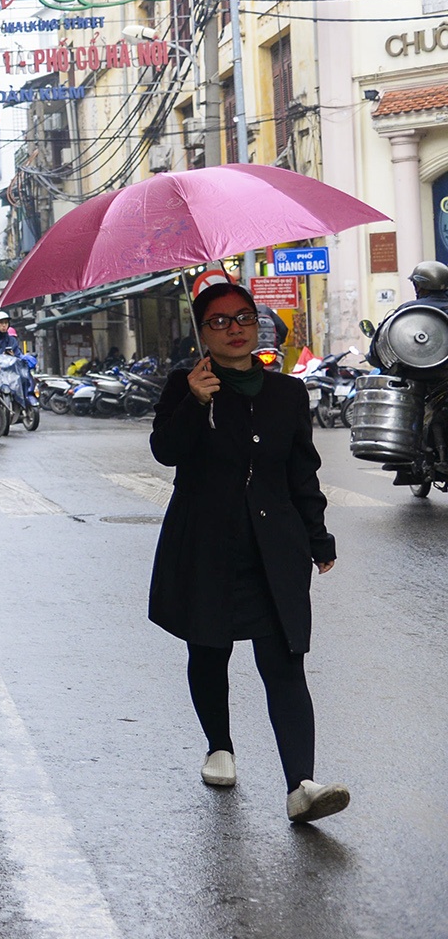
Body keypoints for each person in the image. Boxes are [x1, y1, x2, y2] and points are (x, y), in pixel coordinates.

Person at [148, 282, 348, 824]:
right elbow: (166, 451)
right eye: (219, 321)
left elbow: (301, 472)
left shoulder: (287, 394)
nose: (235, 328)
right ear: (202, 332)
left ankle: (301, 784)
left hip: (273, 548)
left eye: (244, 317)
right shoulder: (185, 386)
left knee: (285, 662)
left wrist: (318, 536)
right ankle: (219, 746)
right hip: (206, 544)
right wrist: (194, 400)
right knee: (209, 650)